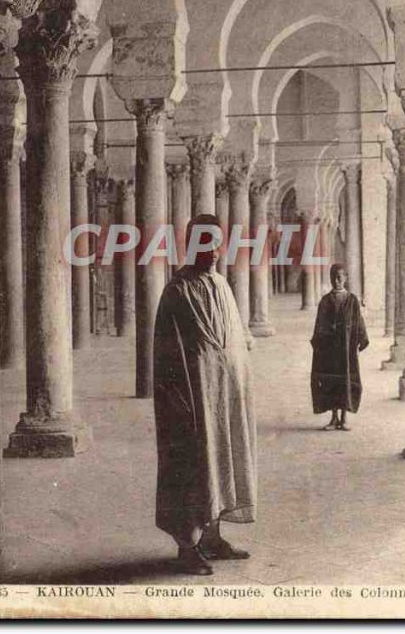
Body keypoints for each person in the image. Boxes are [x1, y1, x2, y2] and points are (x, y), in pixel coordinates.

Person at [153, 214, 257, 576]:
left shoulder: (222, 286)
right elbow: (167, 355)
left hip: (223, 396)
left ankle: (213, 537)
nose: (213, 250)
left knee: (221, 462)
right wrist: (176, 401)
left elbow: (235, 341)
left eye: (217, 242)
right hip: (192, 400)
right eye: (205, 242)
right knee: (193, 466)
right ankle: (187, 546)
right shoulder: (177, 291)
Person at [310, 263, 369, 431]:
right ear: (330, 279)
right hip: (330, 350)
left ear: (346, 278)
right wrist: (319, 343)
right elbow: (319, 325)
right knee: (331, 382)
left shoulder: (352, 300)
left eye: (340, 277)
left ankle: (344, 418)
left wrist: (361, 339)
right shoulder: (325, 301)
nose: (337, 281)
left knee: (346, 381)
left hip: (347, 349)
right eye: (333, 277)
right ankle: (333, 418)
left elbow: (358, 322)